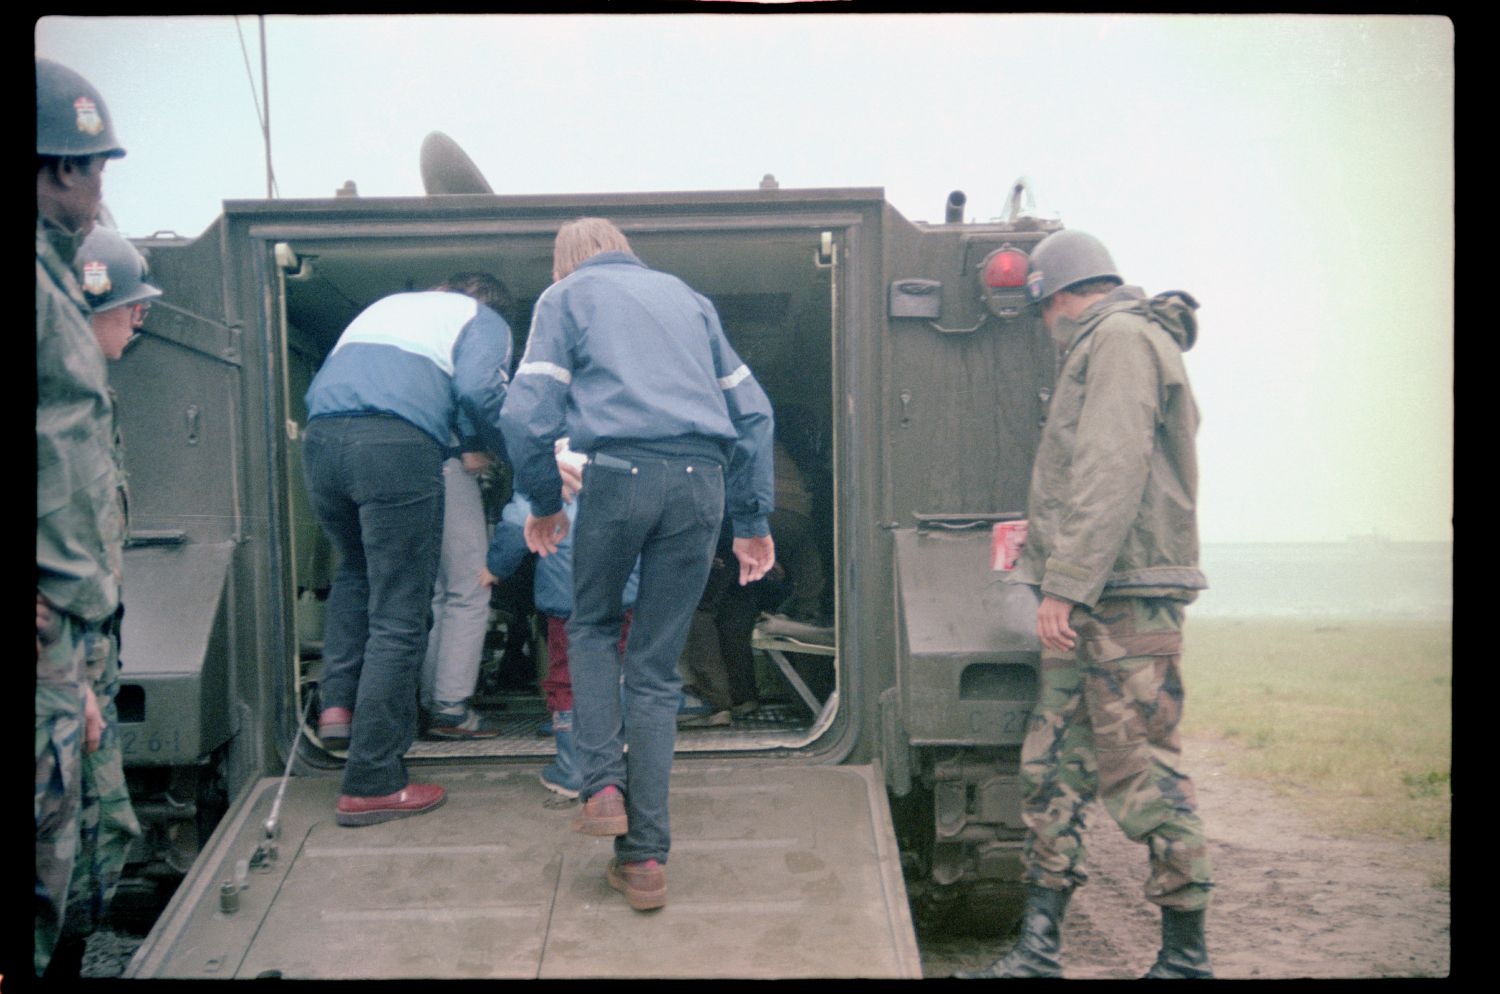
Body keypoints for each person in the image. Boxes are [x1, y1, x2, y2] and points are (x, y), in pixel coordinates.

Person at [957, 229, 1213, 979]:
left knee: (1141, 770)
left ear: (1058, 296)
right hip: (1098, 591)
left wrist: (1065, 584)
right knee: (1054, 767)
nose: (1044, 326)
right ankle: (1038, 951)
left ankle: (1185, 959)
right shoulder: (1112, 341)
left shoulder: (1121, 339)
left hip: (1124, 597)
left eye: (1040, 311)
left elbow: (1111, 463)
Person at [500, 217, 776, 911]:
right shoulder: (688, 300)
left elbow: (525, 416)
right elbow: (754, 415)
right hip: (700, 484)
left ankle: (600, 788)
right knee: (653, 669)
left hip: (618, 475)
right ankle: (646, 861)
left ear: (566, 265)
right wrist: (752, 521)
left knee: (591, 627)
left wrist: (541, 504)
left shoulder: (564, 300)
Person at [304, 271, 512, 827]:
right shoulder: (481, 319)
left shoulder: (387, 306)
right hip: (395, 443)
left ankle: (338, 708)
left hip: (323, 439)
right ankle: (372, 781)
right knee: (401, 612)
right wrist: (511, 449)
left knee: (357, 575)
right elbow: (478, 389)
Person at [35, 57, 130, 979]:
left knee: (59, 818)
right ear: (58, 166)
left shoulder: (51, 277)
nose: (102, 192)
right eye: (94, 169)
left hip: (65, 626)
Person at [483, 479, 639, 798]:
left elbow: (516, 526)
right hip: (623, 591)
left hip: (567, 595)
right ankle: (615, 768)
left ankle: (572, 769)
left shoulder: (547, 466)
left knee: (567, 676)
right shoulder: (626, 454)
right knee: (618, 671)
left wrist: (495, 568)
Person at [418, 275, 516, 741]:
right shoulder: (478, 323)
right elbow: (472, 389)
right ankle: (450, 708)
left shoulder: (411, 328)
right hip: (448, 458)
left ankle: (426, 699)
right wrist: (481, 445)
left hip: (406, 457)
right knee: (469, 589)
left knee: (439, 594)